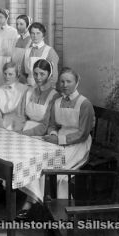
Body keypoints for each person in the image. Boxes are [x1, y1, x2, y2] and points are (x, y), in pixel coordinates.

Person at [17, 67, 95, 220]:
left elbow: (83, 133)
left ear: (77, 83)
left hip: (78, 143)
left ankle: (36, 205)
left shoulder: (84, 104)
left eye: (69, 81)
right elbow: (52, 125)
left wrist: (59, 140)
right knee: (33, 152)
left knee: (49, 165)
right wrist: (53, 135)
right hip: (58, 138)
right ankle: (35, 200)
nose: (65, 85)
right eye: (62, 81)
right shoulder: (57, 101)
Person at [15, 59, 59, 220]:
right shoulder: (28, 91)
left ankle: (30, 200)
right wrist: (18, 131)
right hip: (24, 130)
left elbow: (47, 125)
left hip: (40, 133)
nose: (38, 77)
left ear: (49, 74)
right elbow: (20, 115)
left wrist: (25, 134)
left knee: (29, 157)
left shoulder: (55, 96)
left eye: (42, 74)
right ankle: (12, 190)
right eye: (35, 73)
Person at [0, 62, 27, 131]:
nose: (7, 77)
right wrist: (1, 127)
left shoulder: (24, 89)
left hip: (18, 122)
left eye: (10, 74)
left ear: (17, 75)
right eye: (5, 74)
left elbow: (22, 115)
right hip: (3, 121)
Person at [21, 22, 59, 87]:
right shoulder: (27, 51)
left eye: (38, 33)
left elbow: (54, 76)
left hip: (43, 88)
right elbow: (23, 72)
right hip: (28, 87)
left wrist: (44, 89)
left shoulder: (49, 51)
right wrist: (25, 84)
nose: (35, 36)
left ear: (43, 35)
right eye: (32, 33)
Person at [11, 15, 32, 79]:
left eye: (21, 24)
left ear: (28, 25)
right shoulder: (17, 39)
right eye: (17, 24)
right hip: (14, 72)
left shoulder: (32, 40)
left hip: (26, 74)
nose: (18, 27)